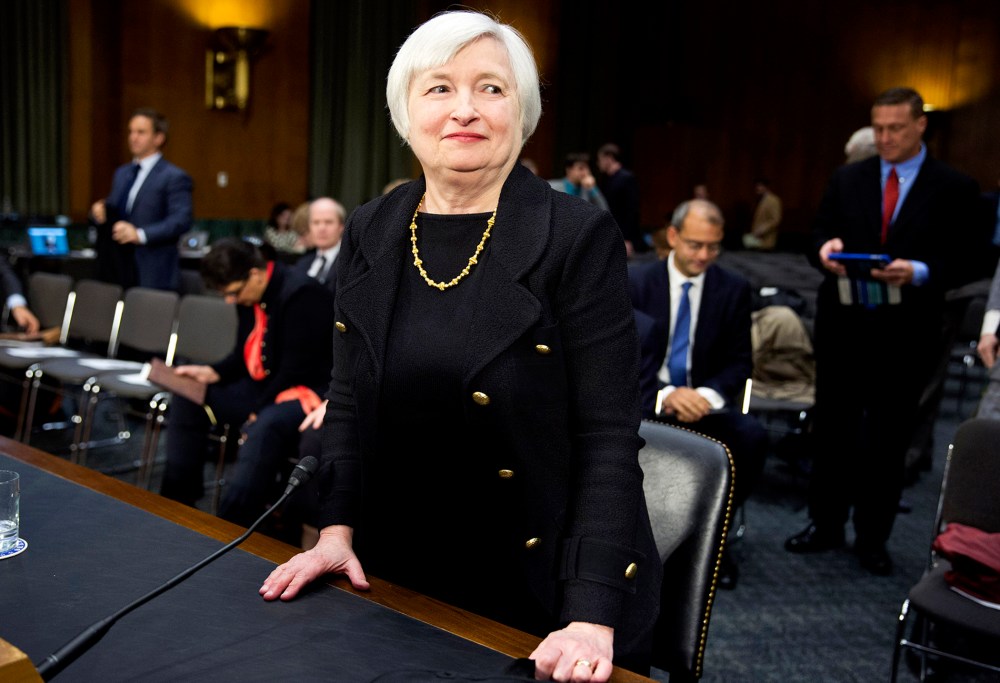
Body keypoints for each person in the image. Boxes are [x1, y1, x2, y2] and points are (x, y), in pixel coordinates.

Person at [258, 11, 661, 680]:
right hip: (396, 571)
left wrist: (590, 614)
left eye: (491, 88)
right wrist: (335, 531)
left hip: (543, 584)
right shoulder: (372, 227)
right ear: (405, 111)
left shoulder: (576, 236)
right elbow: (349, 398)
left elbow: (608, 437)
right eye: (439, 87)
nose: (465, 109)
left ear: (522, 112)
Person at [784, 87, 982, 576]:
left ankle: (873, 537)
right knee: (833, 430)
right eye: (879, 128)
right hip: (844, 325)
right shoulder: (848, 177)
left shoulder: (953, 186)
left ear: (920, 125)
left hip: (906, 332)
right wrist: (825, 251)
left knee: (888, 439)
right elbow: (816, 237)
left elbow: (970, 259)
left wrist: (919, 270)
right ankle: (825, 523)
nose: (886, 137)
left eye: (895, 128)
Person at [628, 199, 768, 590]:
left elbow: (740, 362)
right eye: (695, 245)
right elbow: (621, 359)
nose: (703, 255)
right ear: (673, 236)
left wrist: (704, 395)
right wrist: (667, 394)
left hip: (705, 407)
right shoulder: (636, 282)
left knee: (751, 438)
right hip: (646, 400)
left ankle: (714, 539)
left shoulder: (733, 288)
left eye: (713, 247)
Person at [159, 238, 335, 525]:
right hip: (266, 387)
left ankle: (231, 525)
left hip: (305, 391)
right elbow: (243, 355)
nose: (230, 300)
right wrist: (212, 372)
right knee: (188, 396)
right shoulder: (250, 295)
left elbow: (295, 369)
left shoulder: (302, 293)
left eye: (233, 292)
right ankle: (176, 505)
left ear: (255, 275)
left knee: (265, 425)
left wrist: (257, 409)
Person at [90, 107, 193, 291]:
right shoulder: (122, 173)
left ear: (158, 138)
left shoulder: (173, 176)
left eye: (141, 132)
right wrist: (99, 212)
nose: (133, 137)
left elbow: (181, 220)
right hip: (118, 267)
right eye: (131, 132)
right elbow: (116, 209)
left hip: (152, 269)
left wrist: (140, 234)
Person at [597, 143, 643, 257]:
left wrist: (626, 238)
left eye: (600, 159)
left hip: (624, 234)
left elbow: (632, 210)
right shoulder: (606, 179)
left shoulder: (626, 178)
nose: (598, 163)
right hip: (611, 231)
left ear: (609, 158)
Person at [292, 197, 345, 294]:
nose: (321, 228)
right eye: (316, 222)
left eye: (328, 222)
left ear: (341, 227)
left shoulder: (351, 263)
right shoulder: (302, 264)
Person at [742, 177, 782, 250]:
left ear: (766, 187)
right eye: (756, 186)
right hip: (755, 238)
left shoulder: (773, 200)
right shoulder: (758, 199)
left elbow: (775, 220)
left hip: (765, 239)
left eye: (760, 186)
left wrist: (762, 229)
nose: (757, 188)